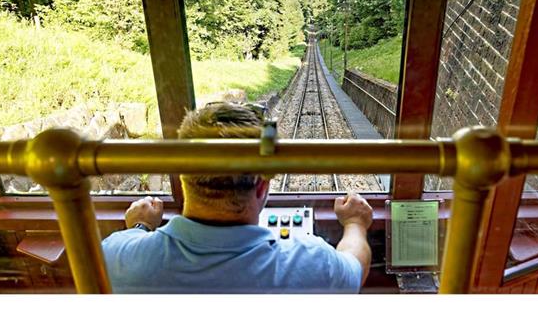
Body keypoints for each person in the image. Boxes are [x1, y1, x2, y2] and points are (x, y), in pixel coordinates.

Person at [101, 102, 373, 293]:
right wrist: (355, 224)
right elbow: (355, 269)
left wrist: (140, 225)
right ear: (261, 187)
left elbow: (126, 243)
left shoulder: (116, 257)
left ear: (184, 178)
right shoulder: (314, 264)